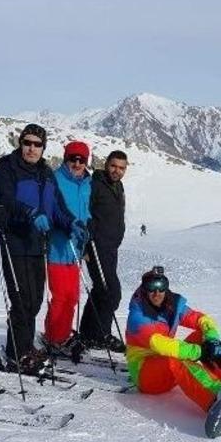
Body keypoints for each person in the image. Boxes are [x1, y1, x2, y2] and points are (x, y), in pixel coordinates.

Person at [0, 123, 79, 374]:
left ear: (43, 148)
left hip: (37, 244)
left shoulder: (46, 173)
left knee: (35, 300)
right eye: (27, 143)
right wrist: (30, 213)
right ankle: (17, 353)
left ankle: (25, 347)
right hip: (15, 241)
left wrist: (71, 222)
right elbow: (4, 199)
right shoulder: (7, 168)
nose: (31, 148)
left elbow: (57, 207)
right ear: (21, 143)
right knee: (21, 301)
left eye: (37, 144)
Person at [125, 266, 221, 413]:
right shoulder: (137, 317)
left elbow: (201, 319)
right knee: (174, 358)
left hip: (167, 368)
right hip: (146, 375)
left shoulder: (171, 305)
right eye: (151, 287)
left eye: (161, 287)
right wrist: (199, 352)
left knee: (202, 336)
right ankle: (215, 398)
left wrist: (212, 340)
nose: (157, 293)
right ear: (144, 289)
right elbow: (160, 345)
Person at [40, 141, 92, 357]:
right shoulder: (56, 179)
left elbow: (87, 210)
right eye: (73, 159)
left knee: (72, 297)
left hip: (75, 249)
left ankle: (61, 335)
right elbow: (49, 208)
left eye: (81, 160)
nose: (77, 163)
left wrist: (87, 228)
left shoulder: (87, 183)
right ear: (66, 159)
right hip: (58, 246)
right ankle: (54, 337)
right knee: (61, 296)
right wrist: (62, 226)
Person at [79, 150, 129, 353]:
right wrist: (84, 244)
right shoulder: (95, 185)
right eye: (113, 166)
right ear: (106, 164)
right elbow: (84, 213)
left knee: (101, 290)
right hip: (96, 245)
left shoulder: (118, 186)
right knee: (111, 291)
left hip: (110, 247)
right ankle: (101, 335)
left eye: (121, 168)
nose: (117, 171)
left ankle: (88, 333)